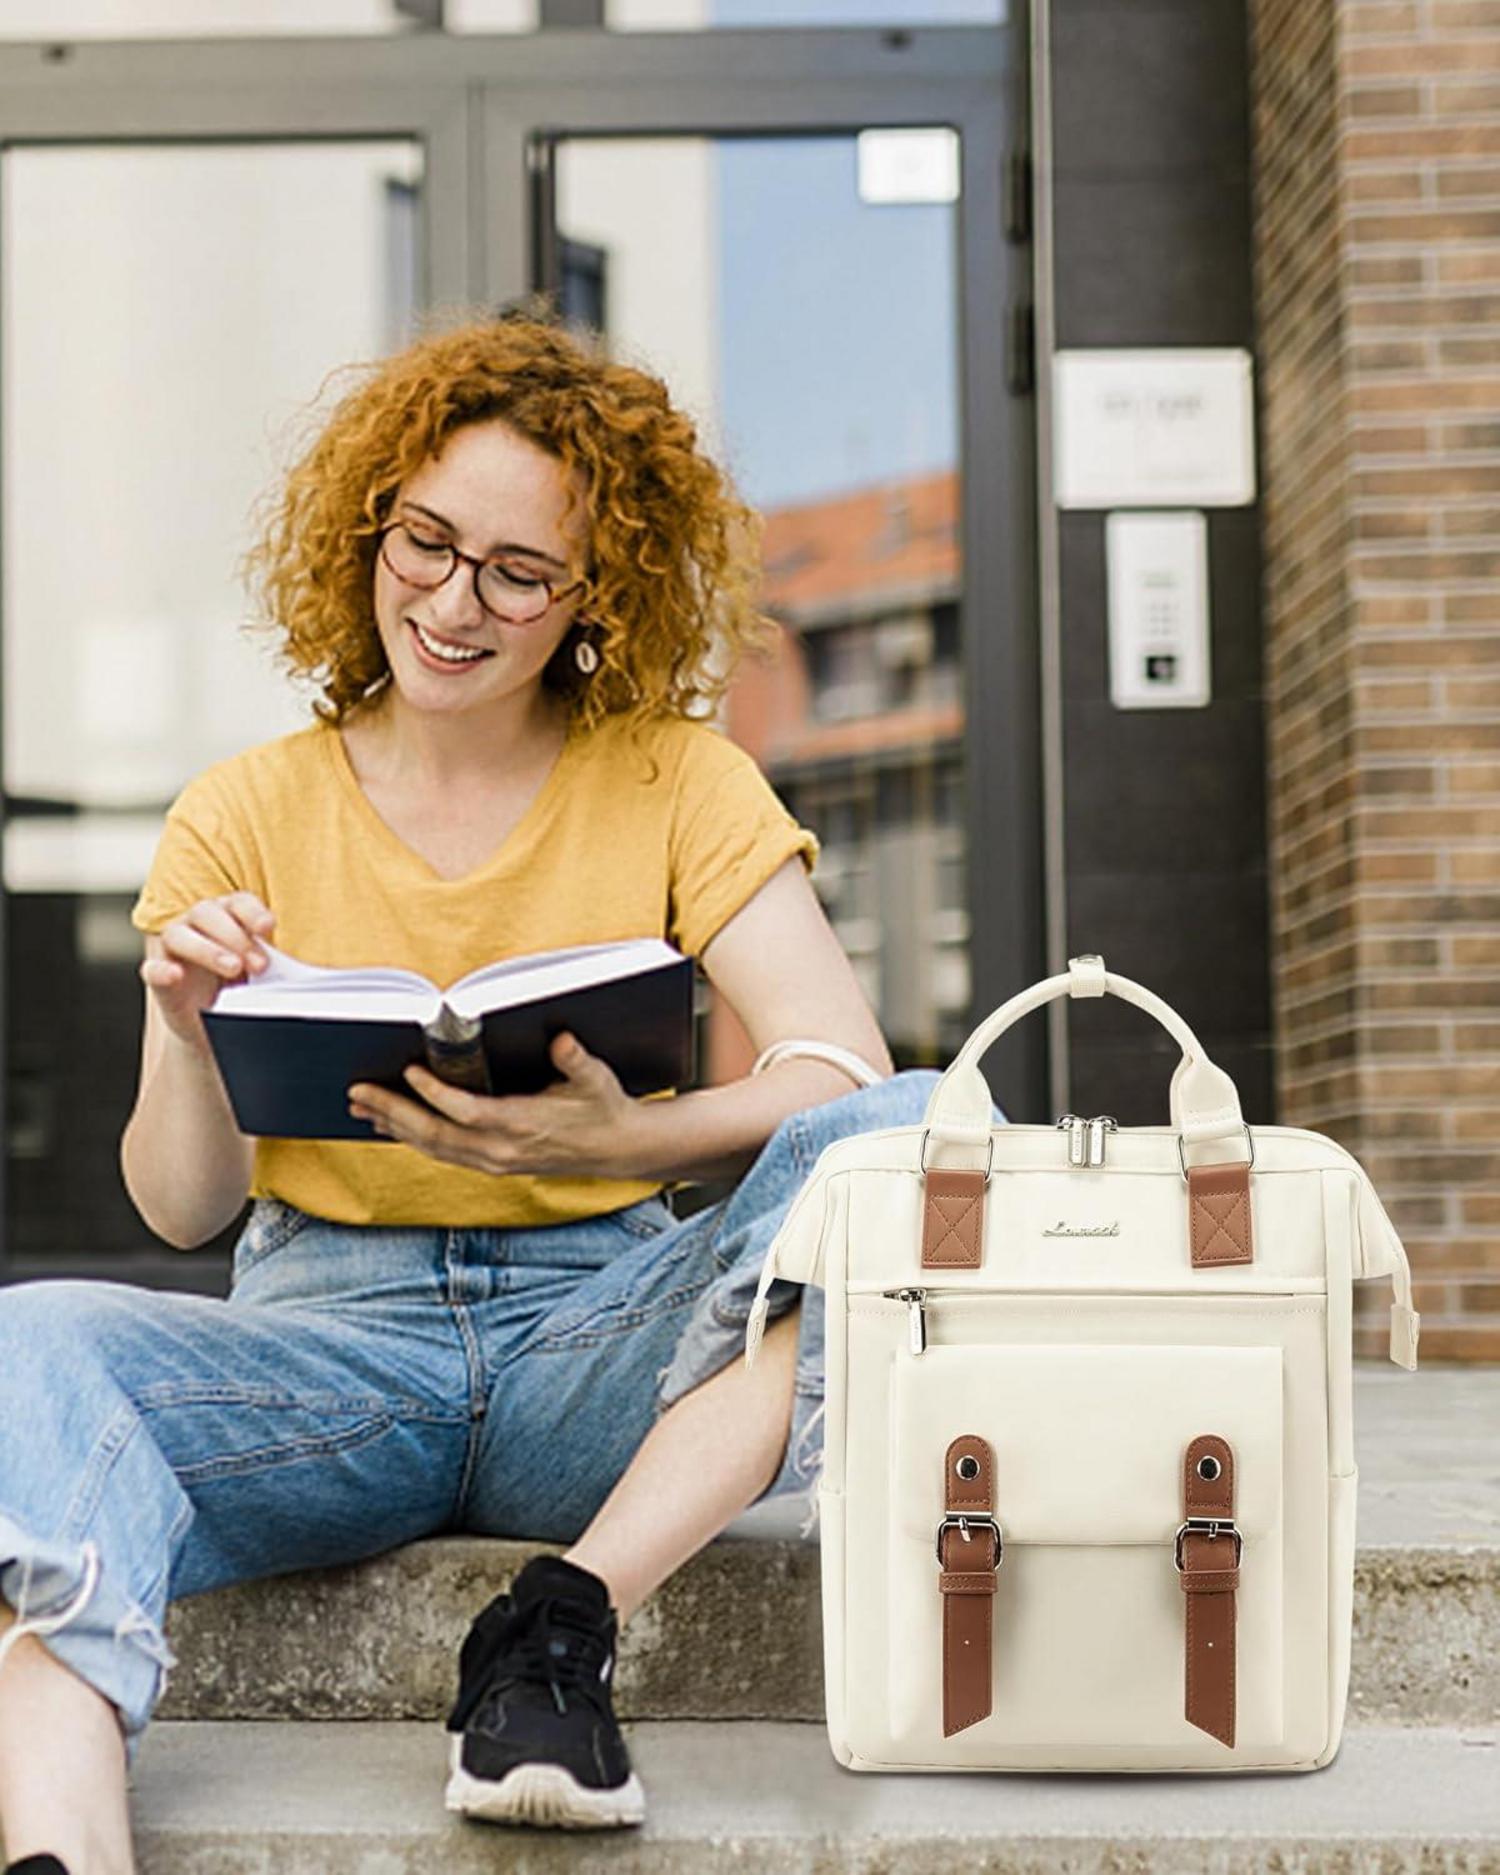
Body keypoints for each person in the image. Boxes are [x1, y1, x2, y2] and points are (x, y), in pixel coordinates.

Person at [0, 303, 1001, 1870]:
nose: (455, 603)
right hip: (326, 1357)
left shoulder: (676, 776)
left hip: (591, 1343)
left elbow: (837, 1065)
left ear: (593, 595)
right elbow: (178, 1205)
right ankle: (61, 1838)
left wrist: (621, 1136)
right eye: (427, 544)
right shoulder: (241, 809)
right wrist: (188, 1029)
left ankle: (557, 1626)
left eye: (519, 571)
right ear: (367, 533)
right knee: (26, 1339)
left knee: (920, 1126)